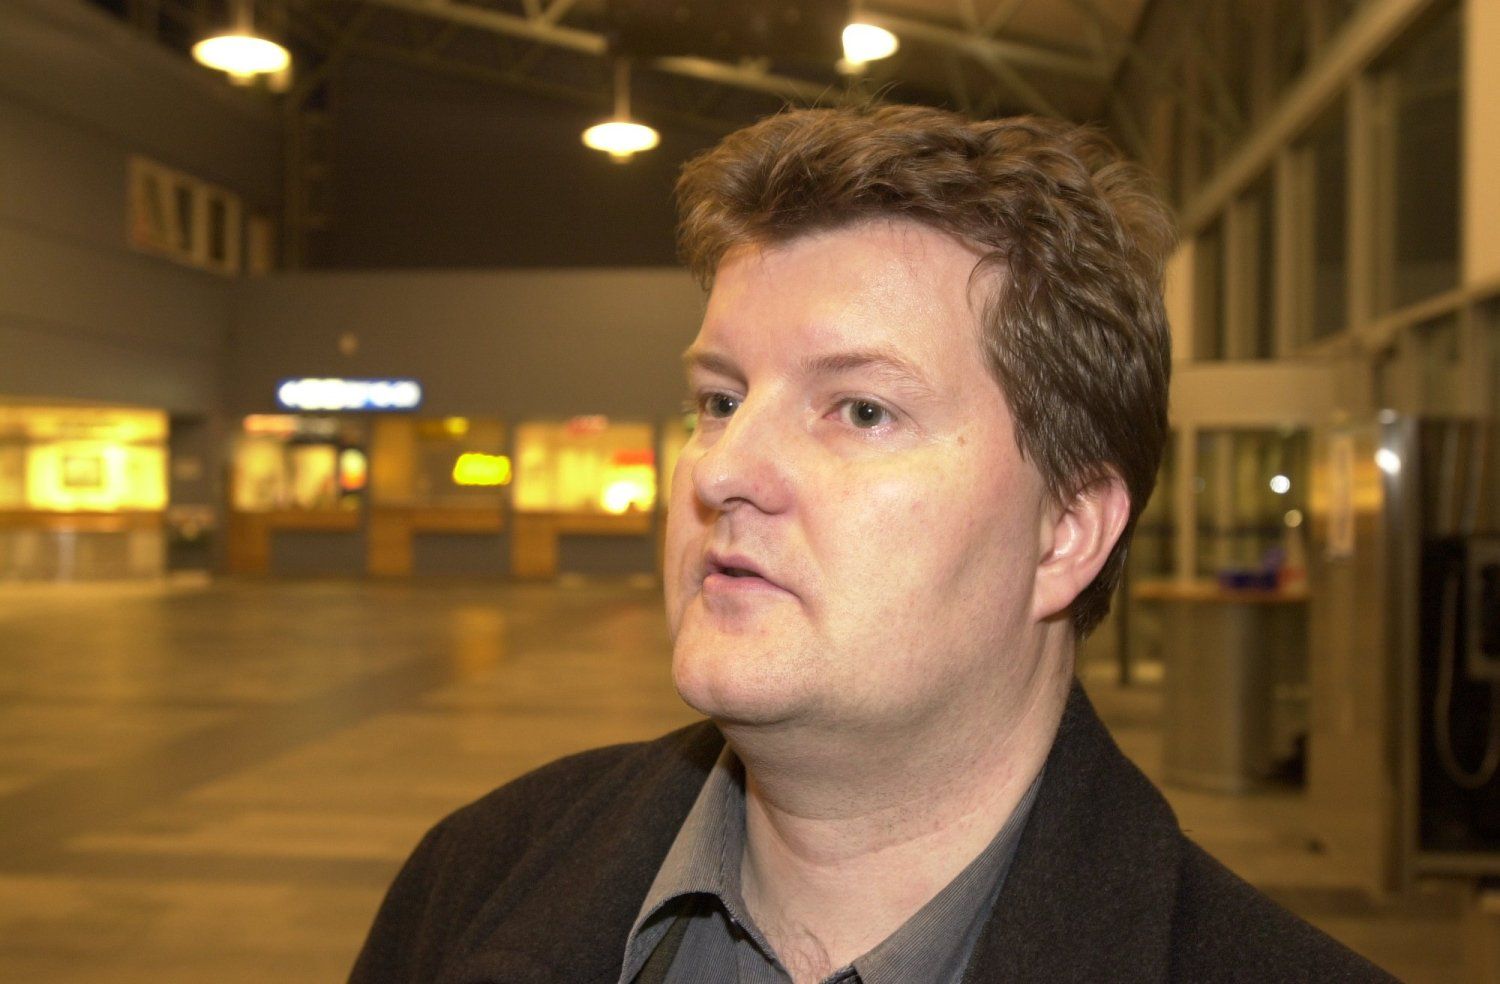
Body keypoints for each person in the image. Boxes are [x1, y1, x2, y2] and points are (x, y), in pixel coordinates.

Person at [350, 105, 1392, 983]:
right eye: (720, 400)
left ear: (1066, 533)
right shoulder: (471, 883)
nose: (721, 470)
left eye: (861, 411)